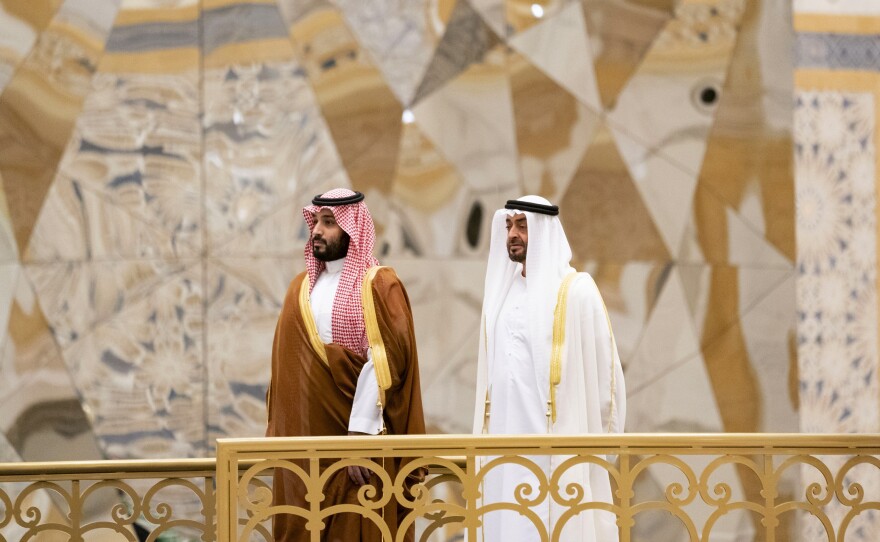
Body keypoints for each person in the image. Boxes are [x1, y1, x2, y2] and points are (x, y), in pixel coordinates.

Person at [266, 188, 425, 541]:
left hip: (355, 446)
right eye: (316, 222)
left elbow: (383, 359)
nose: (317, 232)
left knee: (355, 522)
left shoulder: (378, 284)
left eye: (329, 223)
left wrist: (359, 433)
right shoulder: (301, 287)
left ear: (353, 229)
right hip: (302, 447)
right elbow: (288, 370)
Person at [472, 195, 626, 542]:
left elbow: (608, 380)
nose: (513, 233)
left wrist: (601, 446)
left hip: (559, 451)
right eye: (509, 225)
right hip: (503, 446)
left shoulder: (576, 292)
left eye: (522, 225)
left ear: (544, 230)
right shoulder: (501, 294)